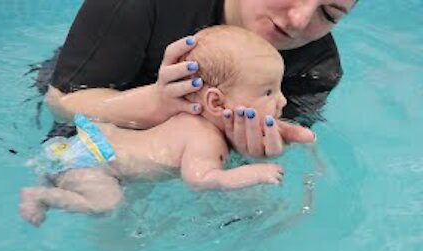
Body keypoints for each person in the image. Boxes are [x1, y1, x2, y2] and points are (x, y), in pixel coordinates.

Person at [20, 26, 311, 227]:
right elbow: (201, 180)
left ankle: (48, 182)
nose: (282, 100)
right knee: (107, 205)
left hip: (88, 143)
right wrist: (253, 172)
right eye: (268, 92)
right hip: (94, 161)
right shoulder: (205, 137)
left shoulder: (185, 117)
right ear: (217, 103)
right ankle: (41, 196)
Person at [40, 0, 357, 158]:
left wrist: (246, 155)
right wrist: (153, 104)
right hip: (103, 96)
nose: (300, 19)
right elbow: (61, 101)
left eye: (328, 14)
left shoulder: (314, 69)